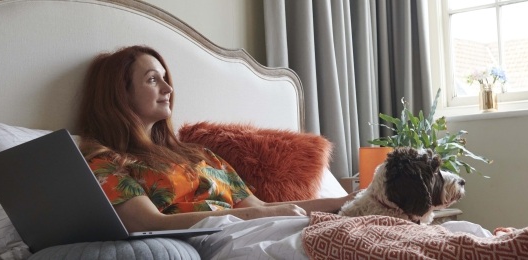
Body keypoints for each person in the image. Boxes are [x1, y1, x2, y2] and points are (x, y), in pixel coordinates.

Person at [76, 45, 357, 234]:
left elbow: (260, 208)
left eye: (165, 78)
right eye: (152, 80)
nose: (168, 88)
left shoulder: (201, 155)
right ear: (120, 93)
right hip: (222, 238)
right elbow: (149, 223)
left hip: (256, 227)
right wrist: (249, 218)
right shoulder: (106, 162)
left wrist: (345, 201)